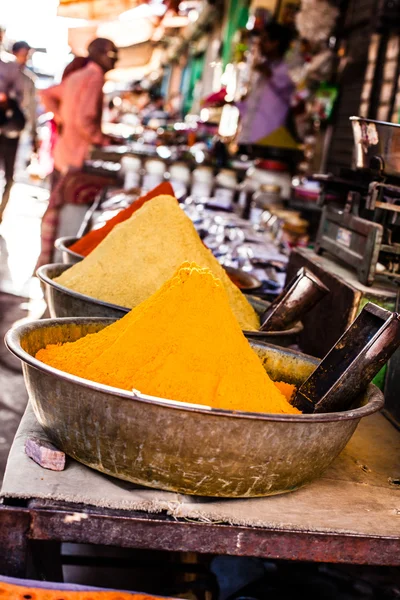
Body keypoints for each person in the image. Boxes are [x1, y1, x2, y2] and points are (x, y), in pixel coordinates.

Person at [40, 38, 118, 186]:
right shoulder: (94, 77)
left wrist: (61, 118)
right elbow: (84, 121)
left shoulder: (78, 76)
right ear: (99, 54)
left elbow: (46, 94)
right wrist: (103, 140)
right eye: (113, 54)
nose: (116, 60)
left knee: (57, 204)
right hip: (76, 157)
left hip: (63, 154)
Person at [237, 21, 294, 148]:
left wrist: (268, 74)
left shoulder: (286, 70)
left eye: (264, 40)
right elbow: (253, 106)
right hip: (247, 138)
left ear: (276, 43)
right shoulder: (263, 68)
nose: (260, 44)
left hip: (268, 141)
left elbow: (289, 94)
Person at [0, 39, 35, 223]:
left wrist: (34, 136)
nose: (25, 58)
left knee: (9, 176)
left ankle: (0, 212)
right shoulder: (5, 69)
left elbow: (30, 109)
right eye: (22, 54)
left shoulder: (28, 79)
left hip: (12, 132)